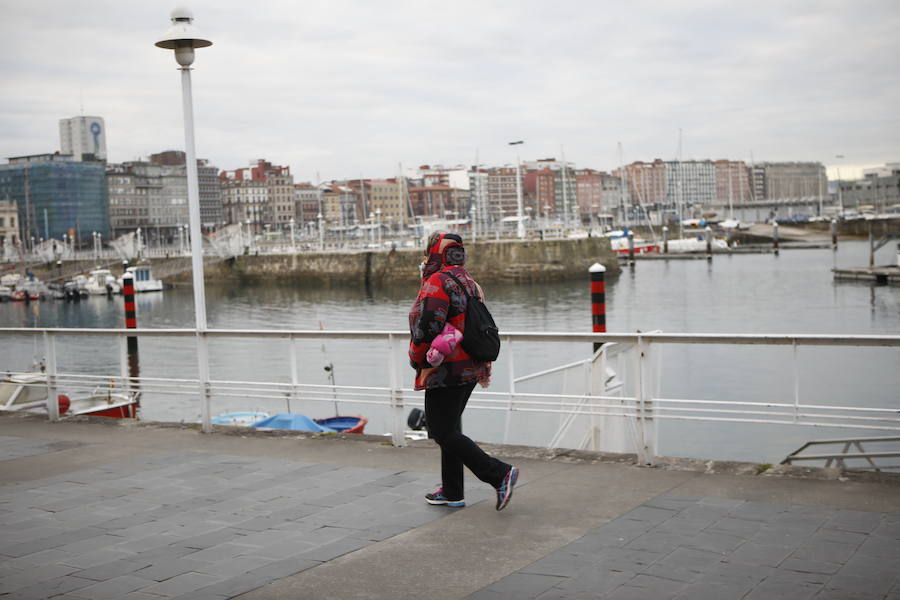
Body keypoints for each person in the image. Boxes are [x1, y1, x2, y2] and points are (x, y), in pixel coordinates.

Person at [408, 232, 519, 511]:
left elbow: (428, 328)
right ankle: (453, 491)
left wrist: (416, 357)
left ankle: (498, 473)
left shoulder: (438, 282)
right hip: (471, 366)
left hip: (446, 369)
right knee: (451, 428)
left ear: (435, 253)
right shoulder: (468, 281)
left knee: (441, 431)